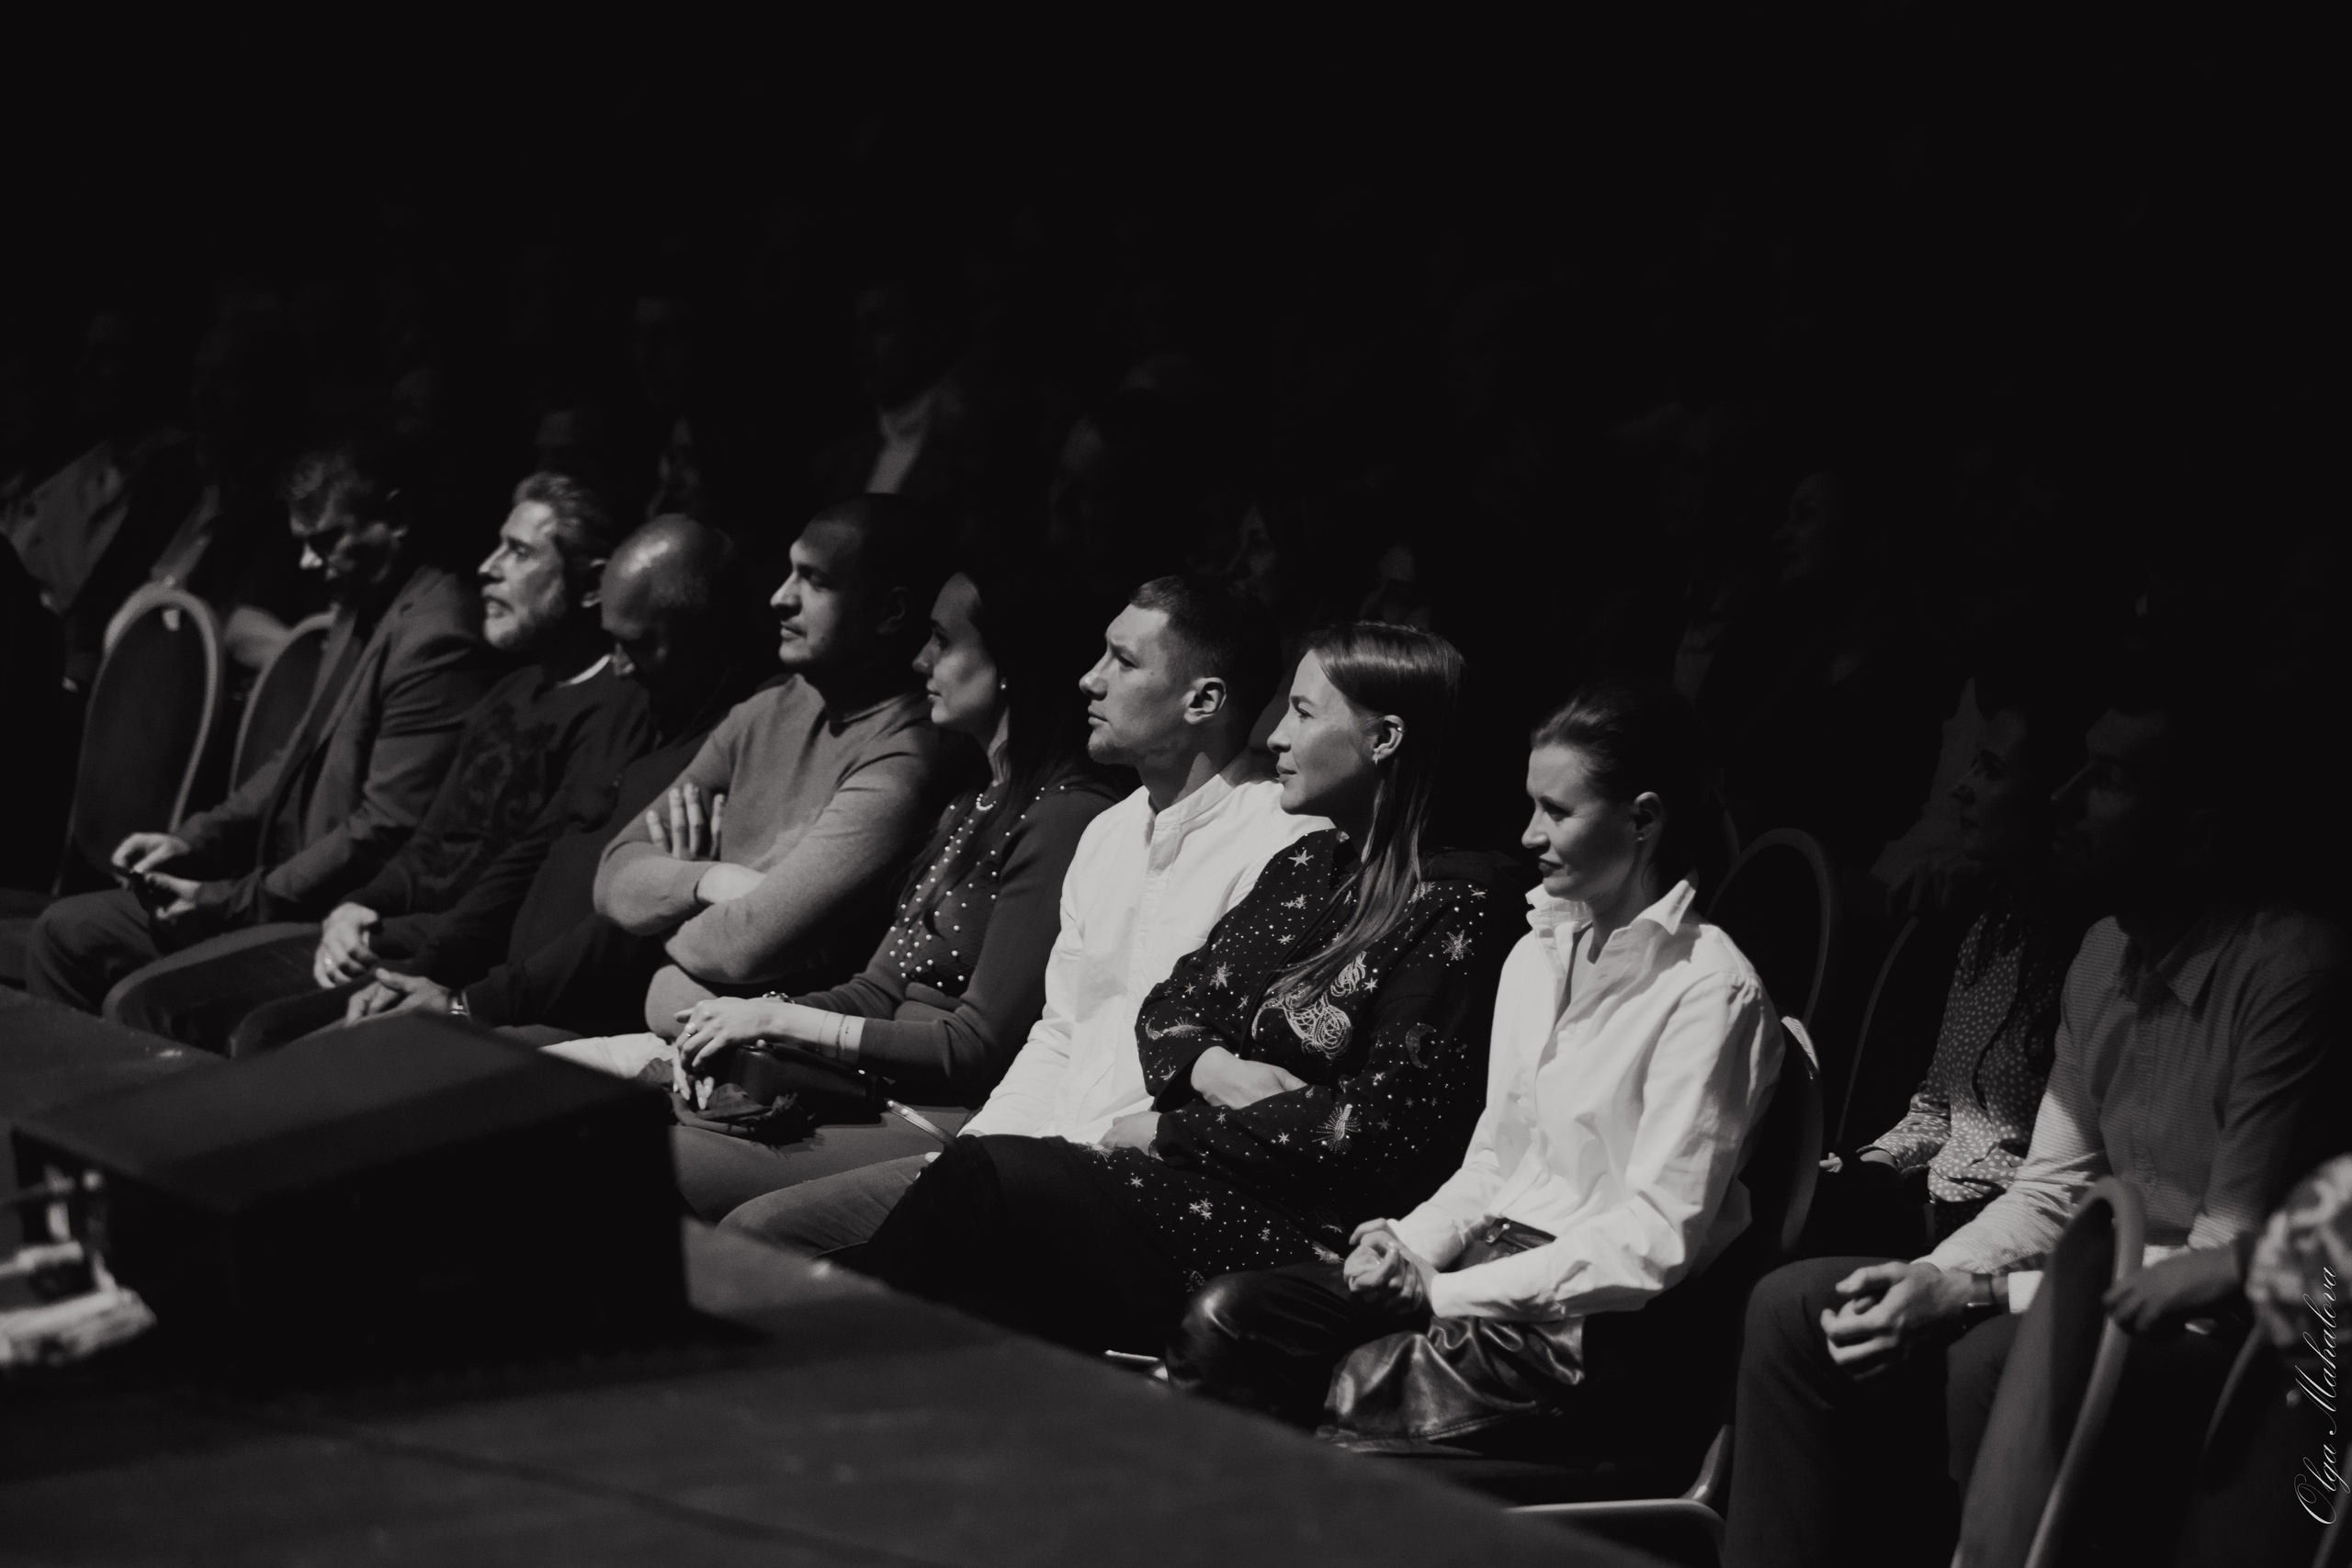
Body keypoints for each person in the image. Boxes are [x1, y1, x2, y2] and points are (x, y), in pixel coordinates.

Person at [1721, 659, 2348, 1568]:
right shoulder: (2101, 954)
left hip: (2245, 1335)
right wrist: (1932, 1278)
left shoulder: (2288, 976)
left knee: (1998, 1356)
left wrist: (1977, 1295)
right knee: (1796, 1309)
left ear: (2194, 833)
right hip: (2094, 1295)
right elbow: (2052, 1192)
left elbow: (2227, 1261)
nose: (2063, 797)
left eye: (2108, 779)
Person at [845, 623, 1526, 1358]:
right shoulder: (1308, 864)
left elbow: (1376, 1133)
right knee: (951, 1276)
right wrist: (1219, 1071)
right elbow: (1170, 1007)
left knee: (984, 1184)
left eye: (1303, 713)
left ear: (1385, 738)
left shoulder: (1461, 903)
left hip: (1309, 1233)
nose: (1273, 738)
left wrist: (1174, 1129)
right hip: (1197, 1179)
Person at [1167, 681, 1781, 1461]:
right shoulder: (1539, 950)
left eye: (1558, 811)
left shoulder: (1707, 988)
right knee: (1230, 1320)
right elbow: (1496, 1158)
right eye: (1531, 805)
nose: (1529, 833)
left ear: (1644, 819)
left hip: (1584, 1331)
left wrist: (1445, 1290)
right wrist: (1407, 1245)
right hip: (1480, 1272)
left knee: (1314, 1388)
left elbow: (1654, 1239)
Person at [718, 574, 1317, 1255]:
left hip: (1141, 1185)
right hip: (1034, 1152)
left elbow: (1236, 1077)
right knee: (761, 1233)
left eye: (1122, 662)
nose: (1089, 681)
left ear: (1203, 699)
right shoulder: (1109, 834)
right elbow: (1060, 1034)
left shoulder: (1284, 843)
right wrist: (976, 1157)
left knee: (814, 1264)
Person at [654, 559, 1125, 1218]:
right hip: (863, 1089)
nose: (918, 660)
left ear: (1009, 662)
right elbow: (878, 989)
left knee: (644, 1164)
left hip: (936, 1117)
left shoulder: (1066, 816)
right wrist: (749, 1027)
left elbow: (974, 1048)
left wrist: (780, 1017)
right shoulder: (973, 802)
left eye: (942, 639)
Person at [96, 472, 630, 1050]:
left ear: (591, 586)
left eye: (520, 552)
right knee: (143, 1003)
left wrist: (396, 939)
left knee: (243, 1032)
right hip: (387, 928)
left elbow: (516, 884)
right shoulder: (512, 689)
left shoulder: (610, 715)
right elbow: (429, 843)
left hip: (449, 953)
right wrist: (359, 905)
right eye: (498, 543)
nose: (488, 566)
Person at [245, 516, 754, 1050]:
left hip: (571, 1019)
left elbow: (622, 932)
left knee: (304, 1066)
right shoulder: (635, 709)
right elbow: (530, 855)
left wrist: (474, 1004)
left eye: (641, 645)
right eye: (615, 642)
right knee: (277, 1046)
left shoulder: (725, 742)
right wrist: (424, 972)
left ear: (708, 634)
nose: (622, 666)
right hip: (500, 987)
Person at [25, 443, 497, 1016]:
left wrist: (227, 901)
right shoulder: (363, 601)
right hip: (275, 889)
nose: (304, 563)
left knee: (76, 939)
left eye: (324, 540)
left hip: (336, 921)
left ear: (394, 520)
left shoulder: (438, 636)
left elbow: (383, 831)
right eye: (300, 542)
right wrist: (192, 840)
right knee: (67, 930)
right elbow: (291, 757)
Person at [540, 495, 973, 1066]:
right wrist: (710, 880)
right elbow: (614, 872)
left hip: (783, 1067)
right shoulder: (768, 708)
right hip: (691, 1039)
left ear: (891, 612)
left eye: (814, 581)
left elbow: (746, 948)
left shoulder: (911, 753)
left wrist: (662, 915)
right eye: (789, 570)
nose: (780, 597)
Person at [1807, 654, 2100, 1257]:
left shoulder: (2095, 959)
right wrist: (1874, 1165)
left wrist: (1917, 1228)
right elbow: (1938, 1109)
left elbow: (2060, 1183)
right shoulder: (1993, 931)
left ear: (2054, 796)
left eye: (1991, 770)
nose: (1964, 787)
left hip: (2000, 1241)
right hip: (1927, 1209)